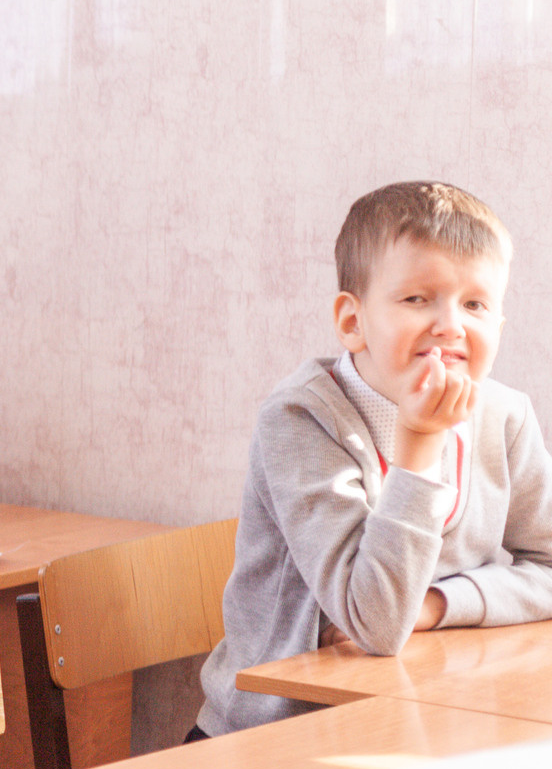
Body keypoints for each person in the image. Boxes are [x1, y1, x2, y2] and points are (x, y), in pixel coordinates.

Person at [196, 181, 552, 737]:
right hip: (283, 736)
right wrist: (419, 445)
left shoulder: (505, 416)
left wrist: (437, 603)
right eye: (417, 298)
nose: (450, 324)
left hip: (426, 724)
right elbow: (378, 623)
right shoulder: (301, 420)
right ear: (352, 321)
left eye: (476, 304)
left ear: (499, 327)